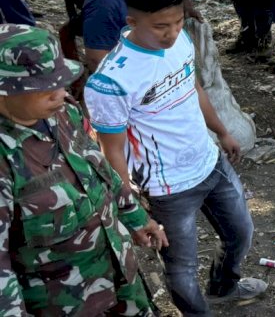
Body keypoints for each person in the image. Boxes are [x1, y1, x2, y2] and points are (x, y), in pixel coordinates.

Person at [84, 0, 267, 315]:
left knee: (241, 232)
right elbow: (112, 151)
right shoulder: (111, 82)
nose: (171, 33)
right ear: (132, 22)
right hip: (167, 187)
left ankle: (224, 286)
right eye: (160, 26)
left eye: (178, 21)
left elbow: (193, 88)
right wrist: (131, 208)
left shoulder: (180, 40)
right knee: (182, 268)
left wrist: (222, 131)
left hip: (209, 161)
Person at [0, 24, 167, 315]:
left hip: (120, 279)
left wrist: (134, 216)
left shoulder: (64, 112)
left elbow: (98, 168)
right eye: (44, 87)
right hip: (63, 304)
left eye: (60, 81)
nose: (60, 93)